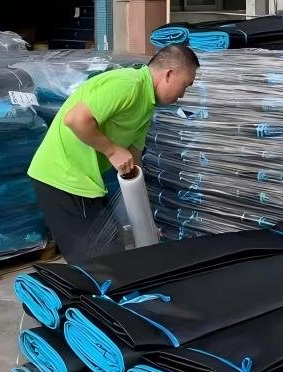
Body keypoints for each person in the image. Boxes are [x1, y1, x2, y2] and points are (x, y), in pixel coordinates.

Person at [27, 44, 199, 261]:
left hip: (84, 182)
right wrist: (112, 151)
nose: (182, 95)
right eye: (185, 85)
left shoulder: (146, 104)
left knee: (113, 253)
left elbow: (134, 162)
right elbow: (75, 120)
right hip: (62, 177)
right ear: (169, 74)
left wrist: (146, 223)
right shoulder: (128, 85)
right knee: (99, 262)